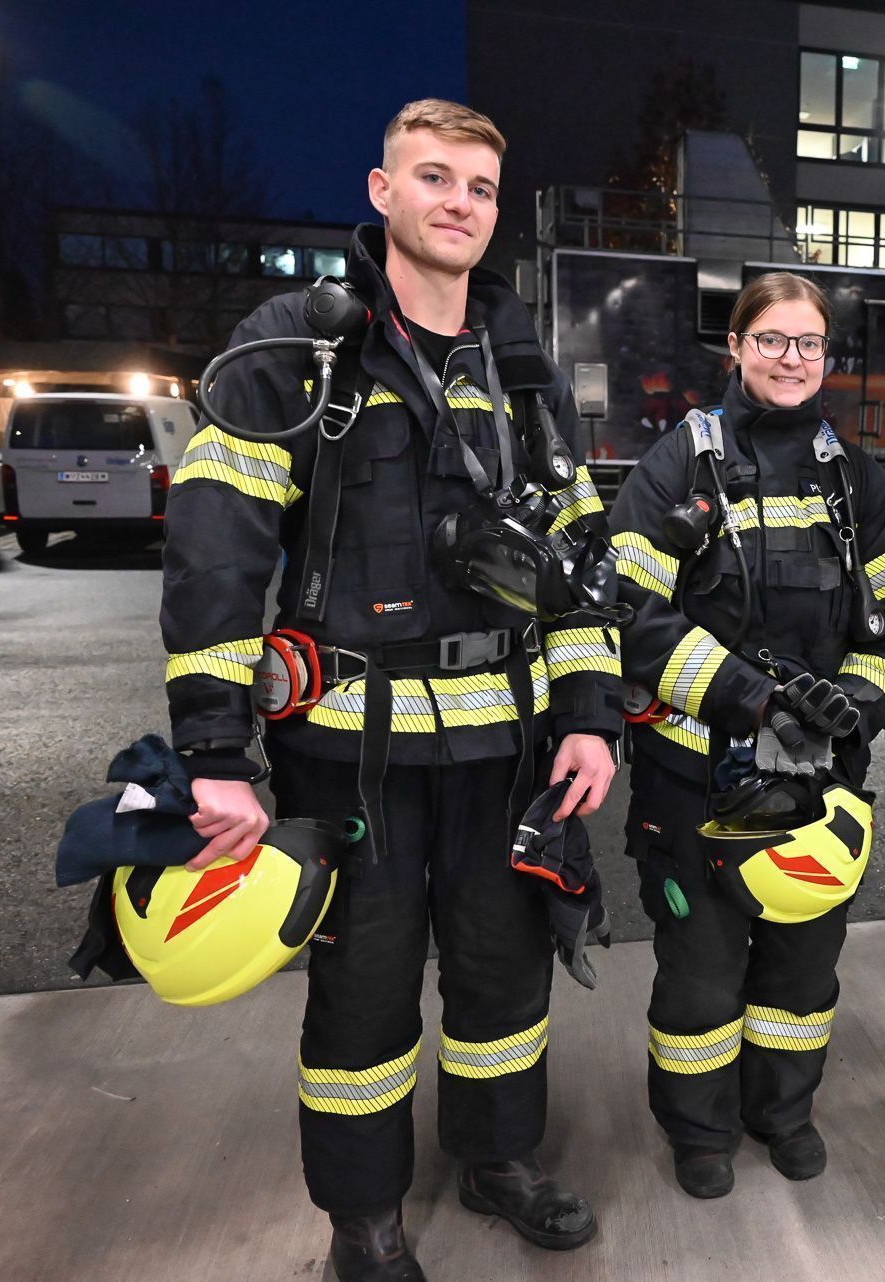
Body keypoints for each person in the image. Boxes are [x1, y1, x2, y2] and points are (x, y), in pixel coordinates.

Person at [161, 99, 622, 1281]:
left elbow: (577, 562)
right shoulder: (294, 343)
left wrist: (587, 717)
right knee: (361, 999)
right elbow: (217, 550)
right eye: (435, 177)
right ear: (381, 191)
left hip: (505, 752)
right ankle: (364, 1220)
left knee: (503, 975)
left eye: (478, 185)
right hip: (347, 749)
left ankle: (498, 1157)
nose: (459, 201)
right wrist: (215, 750)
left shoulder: (520, 364)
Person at [607, 272, 885, 1199]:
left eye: (810, 344)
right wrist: (751, 700)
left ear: (827, 357)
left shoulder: (857, 477)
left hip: (819, 782)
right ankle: (699, 1132)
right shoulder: (679, 465)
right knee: (701, 980)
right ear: (737, 348)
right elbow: (630, 610)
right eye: (774, 340)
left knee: (799, 968)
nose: (793, 360)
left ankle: (782, 1113)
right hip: (696, 777)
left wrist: (863, 707)